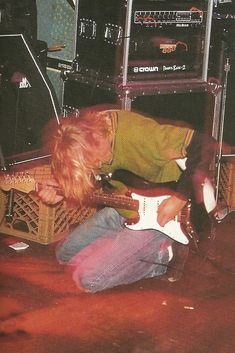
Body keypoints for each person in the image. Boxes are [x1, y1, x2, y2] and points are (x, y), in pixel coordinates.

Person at [38, 106, 217, 293]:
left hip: (164, 215)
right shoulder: (88, 141)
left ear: (97, 139)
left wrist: (180, 196)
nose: (96, 166)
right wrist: (63, 190)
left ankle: (163, 256)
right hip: (126, 207)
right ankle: (125, 249)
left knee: (89, 279)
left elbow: (203, 143)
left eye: (91, 161)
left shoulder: (136, 134)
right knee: (64, 254)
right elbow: (95, 179)